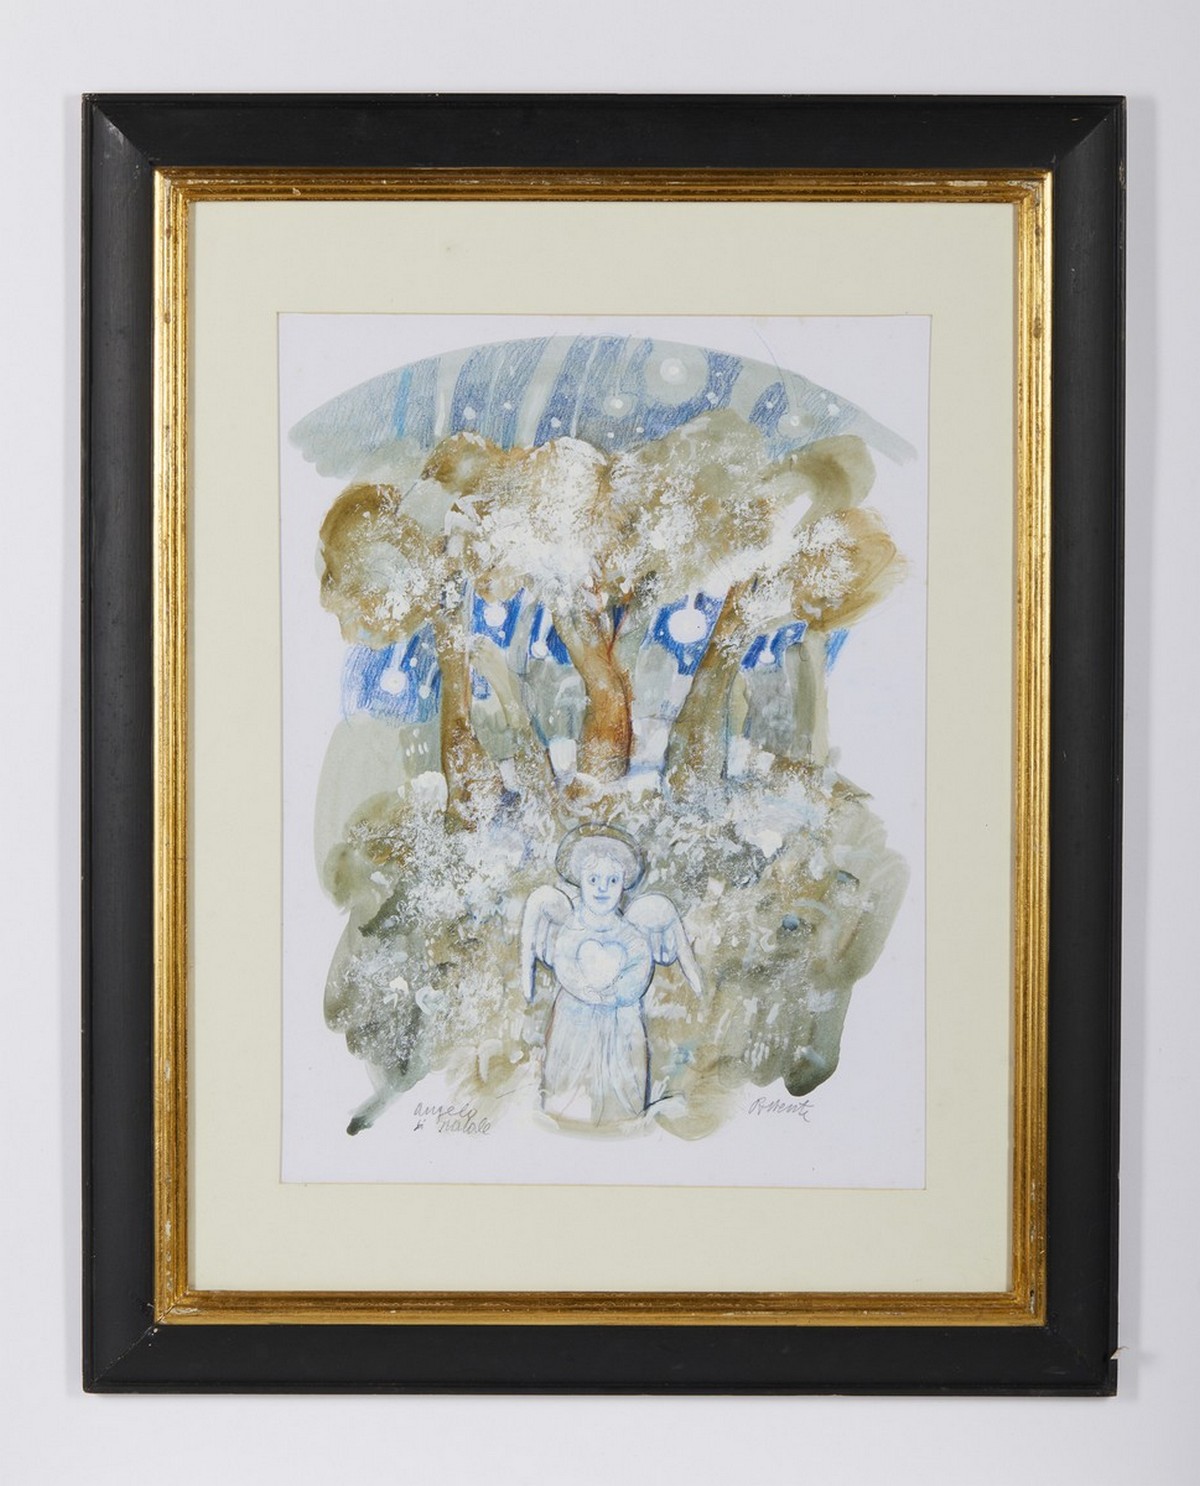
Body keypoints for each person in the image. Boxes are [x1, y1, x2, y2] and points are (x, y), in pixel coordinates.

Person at [520, 825, 702, 1127]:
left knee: (622, 1081)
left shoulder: (630, 932)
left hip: (622, 1021)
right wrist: (585, 989)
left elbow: (640, 967)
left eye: (612, 880)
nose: (602, 889)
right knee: (570, 1077)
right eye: (594, 880)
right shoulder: (571, 927)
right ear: (581, 881)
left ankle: (622, 1115)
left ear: (623, 884)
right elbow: (565, 959)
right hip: (574, 1019)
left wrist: (617, 992)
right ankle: (565, 1111)